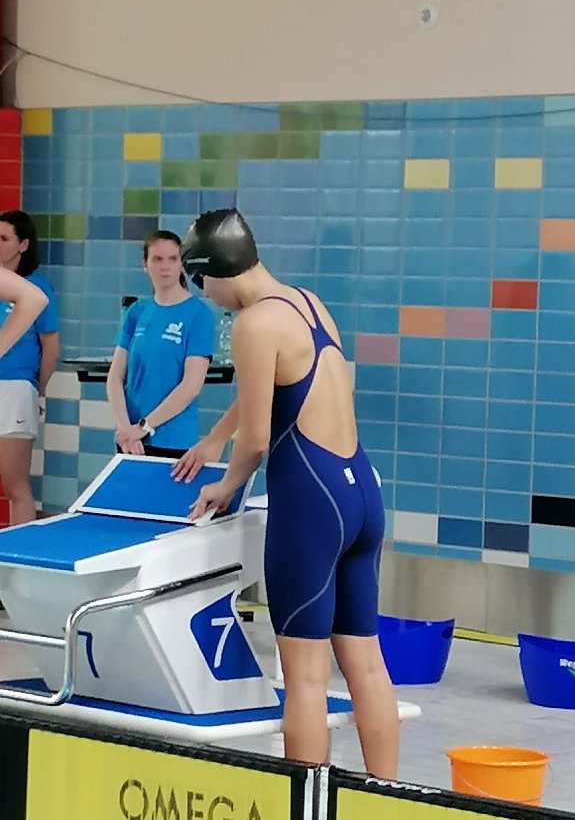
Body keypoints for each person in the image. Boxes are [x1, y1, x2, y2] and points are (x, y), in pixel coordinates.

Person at [173, 209, 399, 779]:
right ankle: (390, 797)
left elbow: (257, 436)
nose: (207, 299)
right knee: (366, 665)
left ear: (214, 273)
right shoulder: (306, 302)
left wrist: (226, 484)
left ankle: (307, 809)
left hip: (310, 505)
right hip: (360, 496)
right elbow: (273, 389)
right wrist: (212, 439)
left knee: (303, 678)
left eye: (201, 284)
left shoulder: (252, 324)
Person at [106, 230, 214, 458]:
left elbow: (190, 387)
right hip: (130, 440)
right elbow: (115, 377)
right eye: (157, 259)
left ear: (181, 263)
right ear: (145, 264)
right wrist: (125, 428)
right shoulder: (137, 312)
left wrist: (143, 427)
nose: (165, 266)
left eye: (173, 259)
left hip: (172, 440)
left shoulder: (198, 314)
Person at [0, 211, 59, 526]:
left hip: (16, 387)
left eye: (4, 238)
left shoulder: (36, 287)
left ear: (23, 244)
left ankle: (18, 555)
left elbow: (51, 347)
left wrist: (39, 389)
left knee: (14, 482)